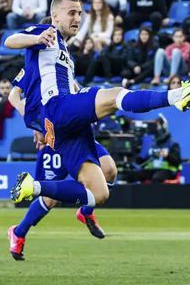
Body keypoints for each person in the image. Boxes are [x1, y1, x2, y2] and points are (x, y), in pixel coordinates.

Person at [4, 0, 190, 224]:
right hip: (57, 108)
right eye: (72, 12)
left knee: (99, 193)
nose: (77, 17)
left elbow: (58, 85)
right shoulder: (45, 34)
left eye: (80, 13)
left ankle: (33, 187)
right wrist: (36, 38)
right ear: (55, 16)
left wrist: (42, 122)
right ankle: (176, 96)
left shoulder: (66, 54)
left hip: (65, 124)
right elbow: (11, 41)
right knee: (115, 95)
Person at [6, 67, 118, 260]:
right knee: (51, 199)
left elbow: (74, 88)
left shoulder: (64, 60)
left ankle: (86, 211)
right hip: (53, 137)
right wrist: (34, 123)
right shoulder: (34, 64)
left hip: (76, 132)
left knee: (109, 170)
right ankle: (19, 232)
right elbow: (14, 95)